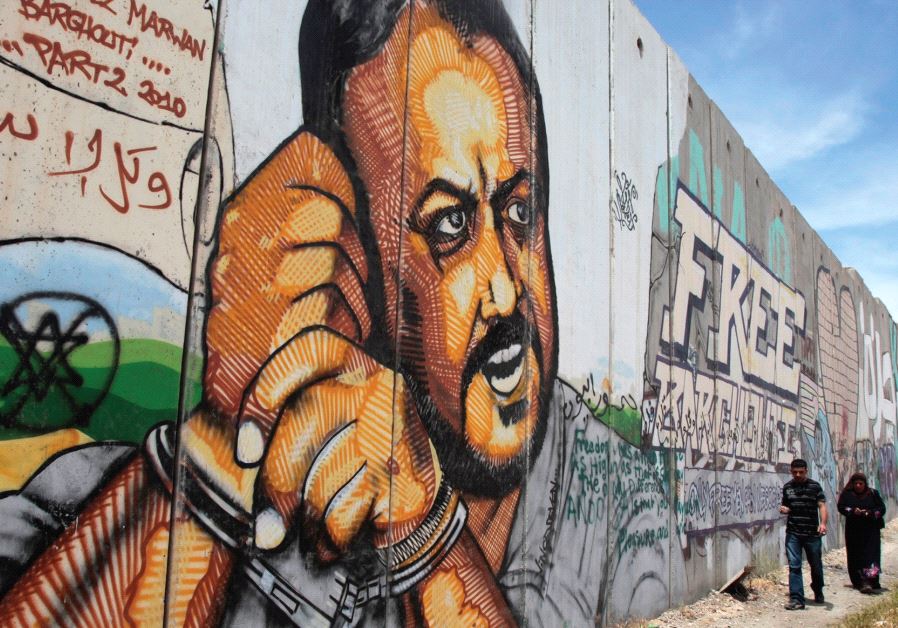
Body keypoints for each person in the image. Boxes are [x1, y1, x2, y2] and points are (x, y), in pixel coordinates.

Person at [0, 1, 675, 625]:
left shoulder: (621, 503)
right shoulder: (112, 506)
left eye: (520, 213)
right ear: (344, 251)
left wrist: (428, 541)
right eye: (450, 227)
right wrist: (221, 444)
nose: (504, 289)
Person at [780, 458, 828, 610]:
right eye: (795, 472)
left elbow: (822, 506)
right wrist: (784, 509)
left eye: (801, 472)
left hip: (812, 533)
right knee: (794, 565)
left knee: (816, 565)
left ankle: (818, 589)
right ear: (791, 472)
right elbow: (785, 505)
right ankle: (796, 598)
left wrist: (823, 523)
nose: (798, 475)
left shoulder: (814, 486)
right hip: (793, 532)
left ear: (806, 471)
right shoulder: (787, 487)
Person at [837, 471, 886, 593]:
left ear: (865, 484)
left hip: (870, 531)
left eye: (861, 483)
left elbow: (881, 508)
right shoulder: (847, 495)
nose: (858, 486)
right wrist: (853, 511)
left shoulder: (873, 493)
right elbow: (841, 507)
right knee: (855, 555)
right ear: (852, 484)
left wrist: (869, 513)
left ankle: (872, 580)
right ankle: (860, 581)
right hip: (854, 531)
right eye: (856, 483)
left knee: (871, 555)